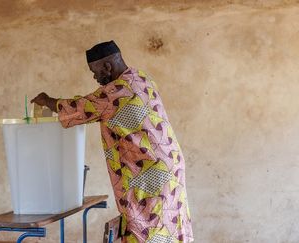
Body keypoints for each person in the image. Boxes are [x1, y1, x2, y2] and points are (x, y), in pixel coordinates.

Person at [31, 41, 194, 243]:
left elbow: (79, 108)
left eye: (94, 71)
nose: (95, 77)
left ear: (107, 67)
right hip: (170, 167)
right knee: (168, 222)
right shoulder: (141, 78)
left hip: (149, 175)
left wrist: (47, 100)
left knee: (145, 229)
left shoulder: (115, 92)